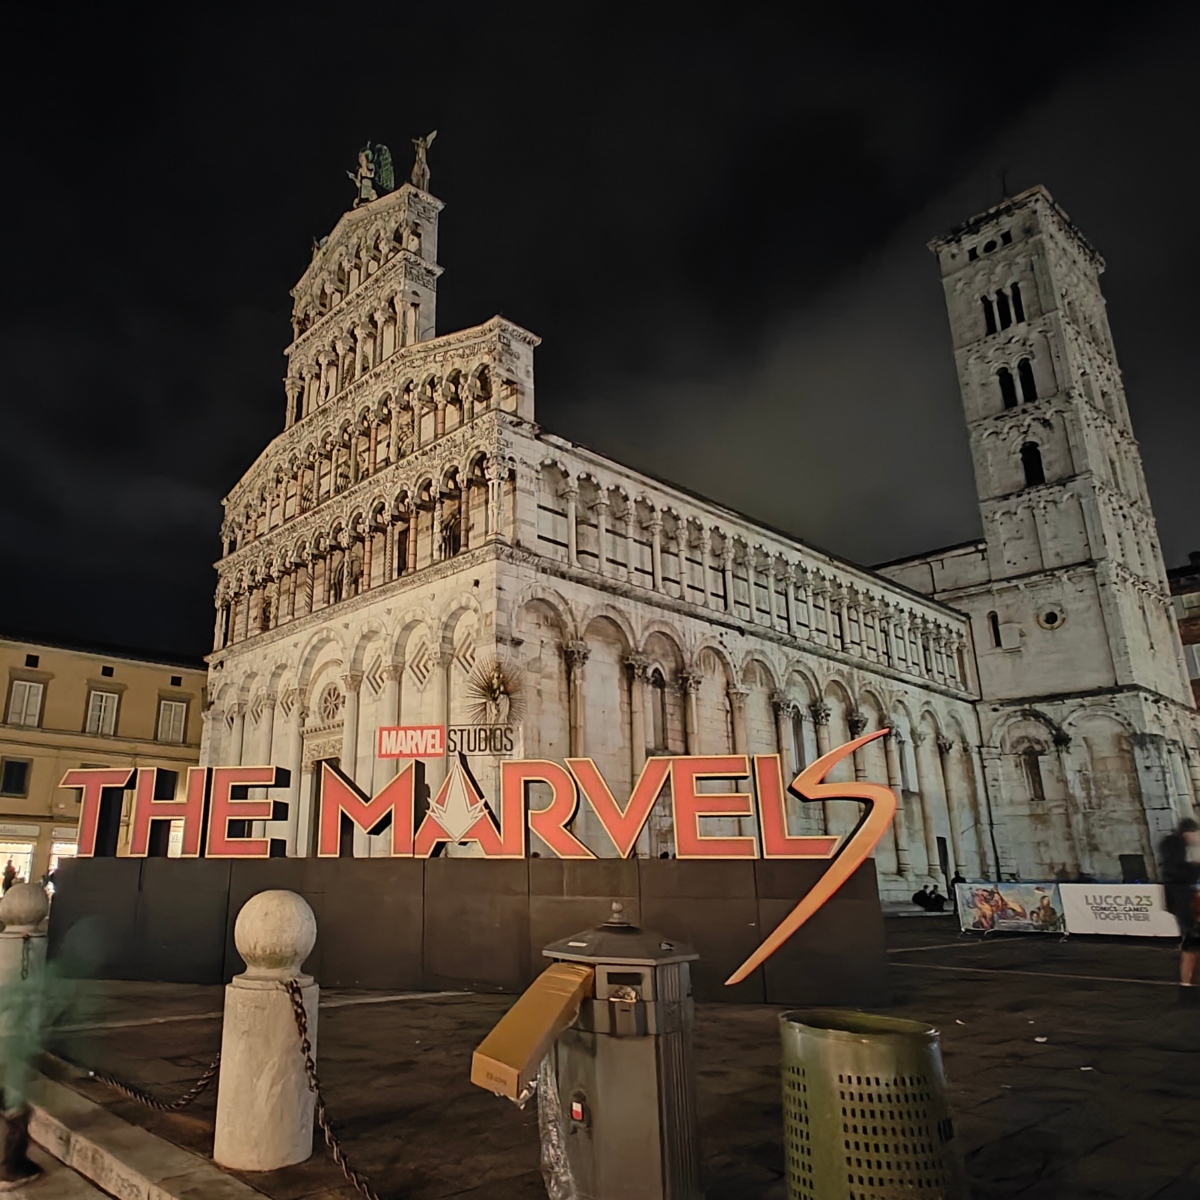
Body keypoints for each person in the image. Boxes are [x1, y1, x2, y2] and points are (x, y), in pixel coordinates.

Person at [1160, 818, 1200, 1002]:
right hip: (1184, 901)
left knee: (1192, 946)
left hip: (1182, 900)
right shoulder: (1174, 845)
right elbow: (1176, 872)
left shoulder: (1173, 845)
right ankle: (1186, 990)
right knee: (1192, 946)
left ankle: (1187, 989)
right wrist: (1196, 867)